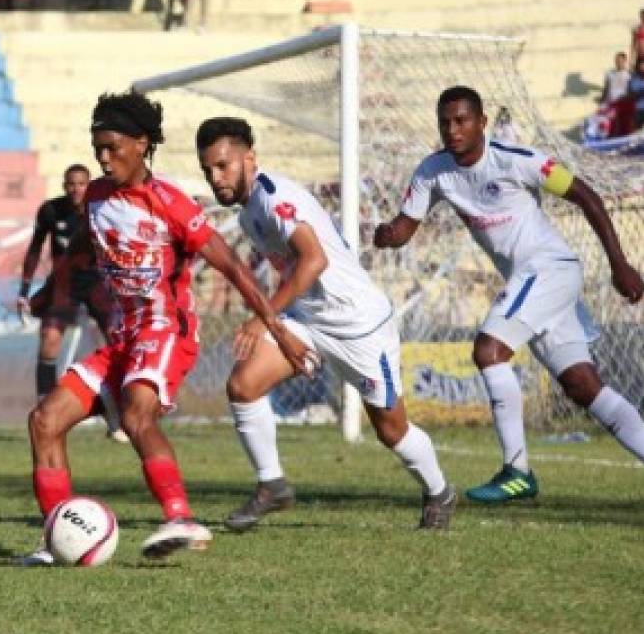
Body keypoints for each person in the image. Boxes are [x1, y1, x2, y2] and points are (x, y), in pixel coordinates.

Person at [17, 91, 316, 566]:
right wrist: (50, 291)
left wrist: (275, 329)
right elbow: (83, 254)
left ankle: (180, 517)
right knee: (44, 420)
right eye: (97, 149)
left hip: (166, 332)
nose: (103, 158)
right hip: (121, 338)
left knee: (138, 415)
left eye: (113, 147)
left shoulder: (170, 205)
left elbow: (234, 268)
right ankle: (57, 541)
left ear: (141, 144)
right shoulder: (95, 197)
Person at [374, 85, 644, 503]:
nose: (453, 129)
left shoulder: (517, 160)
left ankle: (516, 470)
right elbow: (405, 226)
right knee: (583, 386)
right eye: (445, 122)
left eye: (462, 120)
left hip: (550, 269)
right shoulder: (433, 171)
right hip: (531, 283)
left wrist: (619, 263)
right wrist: (388, 235)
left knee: (488, 350)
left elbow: (586, 196)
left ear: (482, 122)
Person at [195, 117, 455, 531]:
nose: (216, 178)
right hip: (309, 318)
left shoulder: (275, 197)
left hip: (358, 325)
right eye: (207, 169)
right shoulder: (248, 216)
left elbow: (315, 261)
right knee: (243, 386)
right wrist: (278, 327)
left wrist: (265, 320)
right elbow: (296, 273)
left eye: (223, 165)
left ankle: (439, 492)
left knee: (392, 431)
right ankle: (271, 485)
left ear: (250, 158)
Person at [17, 164, 122, 440]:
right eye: (71, 184)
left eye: (81, 184)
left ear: (89, 186)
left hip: (99, 281)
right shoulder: (51, 211)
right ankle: (46, 411)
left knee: (116, 341)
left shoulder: (102, 209)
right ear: (64, 186)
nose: (76, 189)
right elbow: (35, 248)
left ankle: (117, 412)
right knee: (49, 340)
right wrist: (24, 290)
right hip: (64, 283)